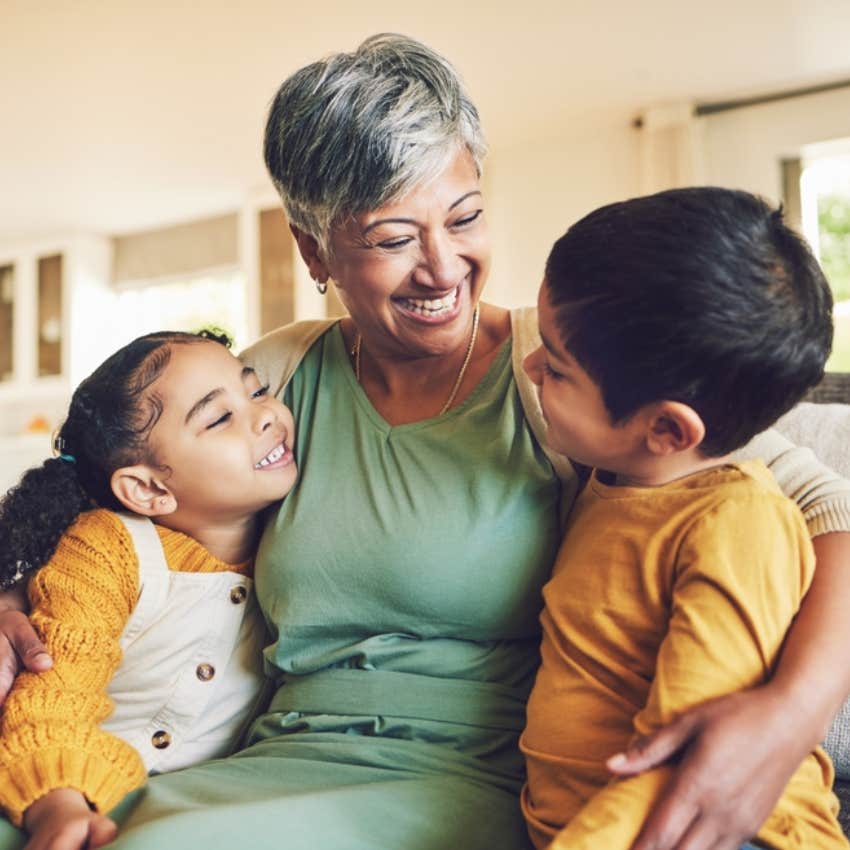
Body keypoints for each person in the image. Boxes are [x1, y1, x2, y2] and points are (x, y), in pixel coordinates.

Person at [0, 34, 850, 850]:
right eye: (394, 239)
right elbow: (106, 493)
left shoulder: (565, 380)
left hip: (454, 783)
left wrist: (787, 717)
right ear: (314, 249)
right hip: (261, 761)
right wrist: (9, 601)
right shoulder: (272, 379)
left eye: (466, 217)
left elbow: (823, 505)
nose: (444, 269)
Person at [520, 187, 848, 850]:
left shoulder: (738, 524)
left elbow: (682, 762)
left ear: (667, 429)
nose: (528, 367)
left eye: (554, 368)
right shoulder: (614, 481)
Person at [0, 330, 297, 850]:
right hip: (45, 794)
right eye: (219, 418)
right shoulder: (106, 550)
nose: (266, 414)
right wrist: (58, 803)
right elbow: (55, 696)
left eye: (255, 391)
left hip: (191, 810)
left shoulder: (293, 544)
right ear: (148, 489)